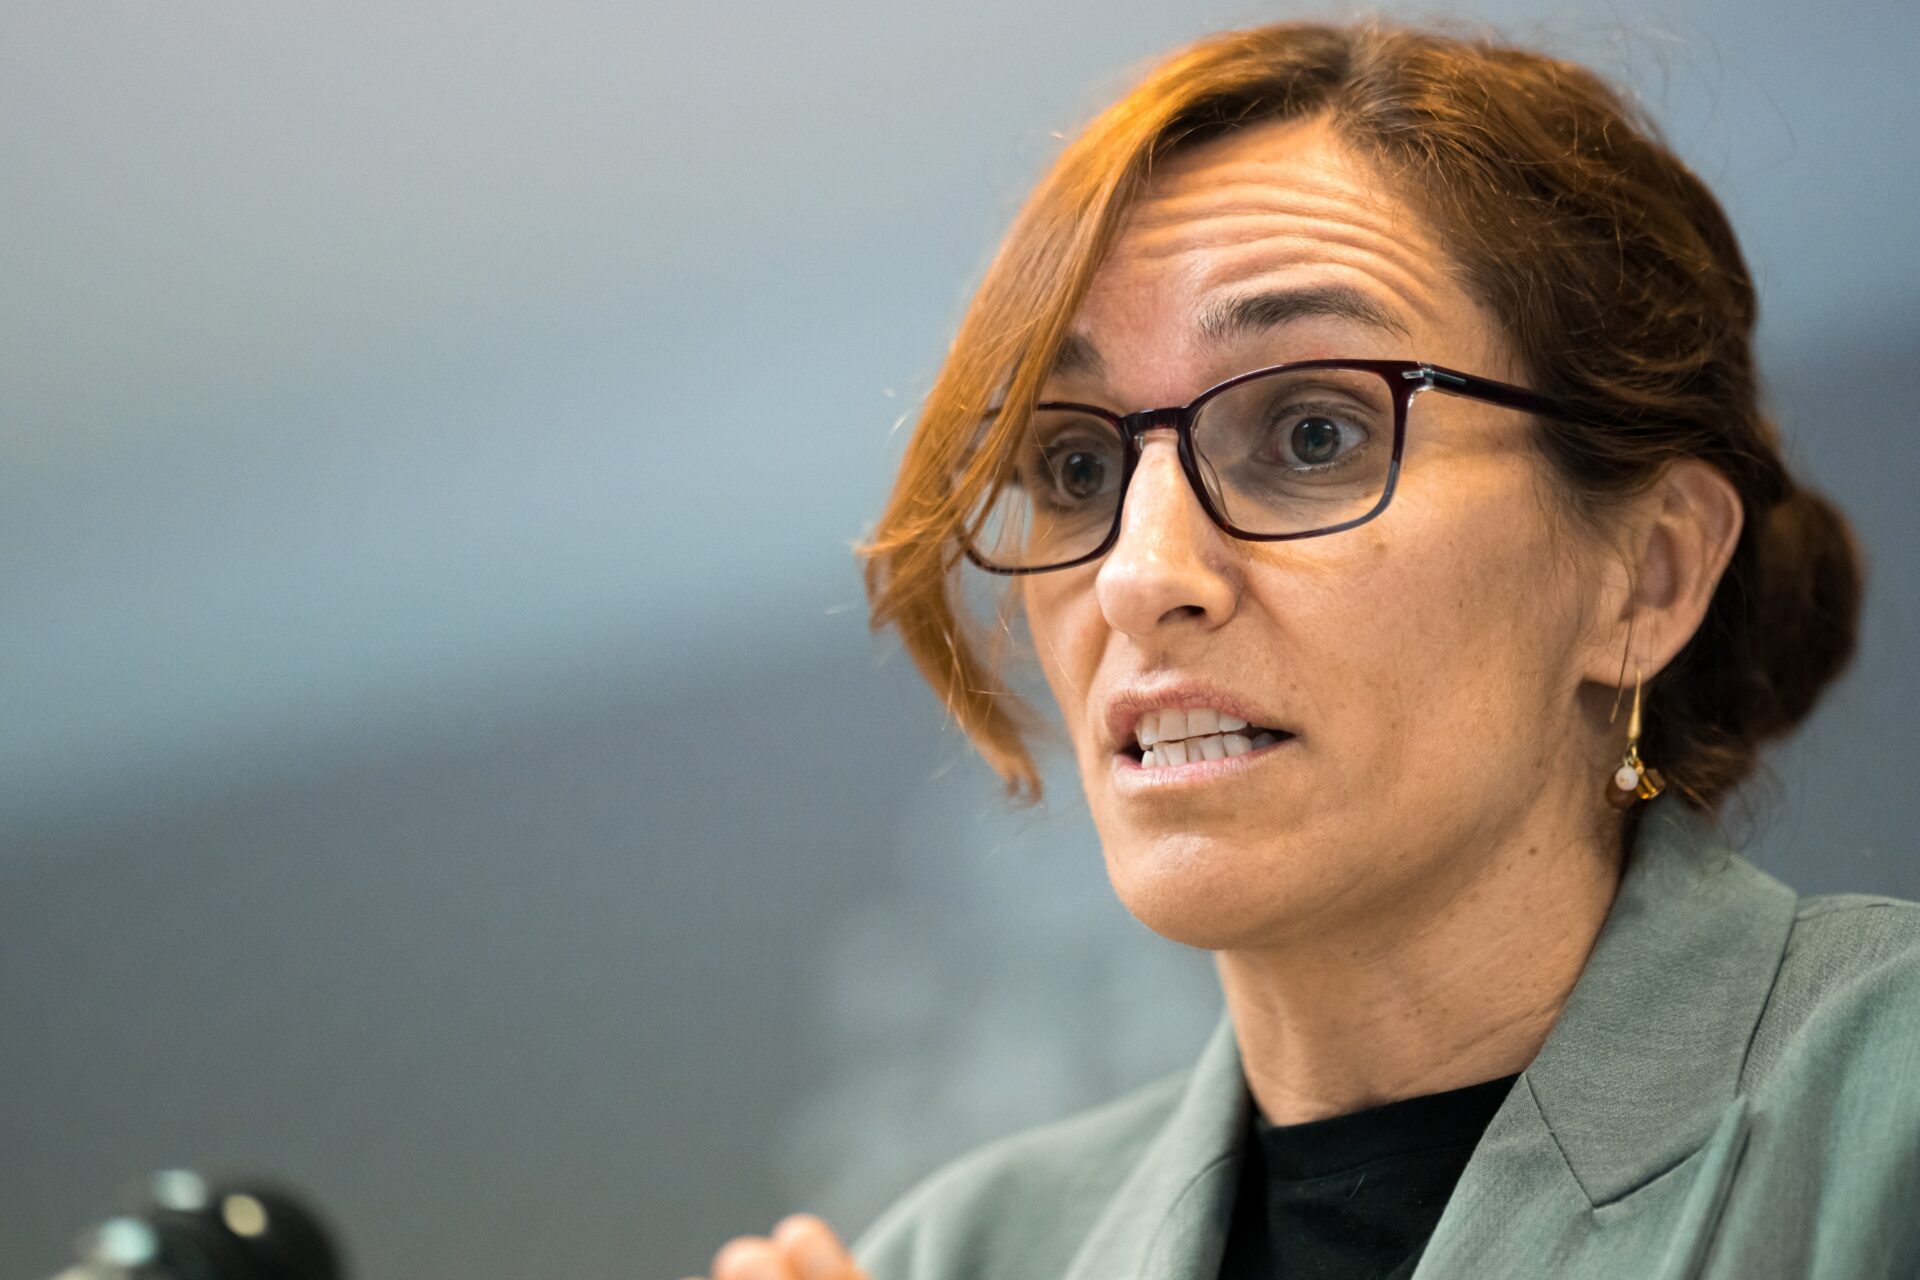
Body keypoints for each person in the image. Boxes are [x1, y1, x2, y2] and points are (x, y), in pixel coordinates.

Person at [686, 19, 1916, 1280]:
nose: (1137, 575)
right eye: (1075, 465)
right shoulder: (958, 1255)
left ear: (1645, 573)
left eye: (1313, 433)